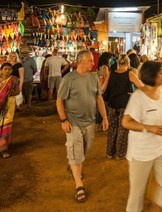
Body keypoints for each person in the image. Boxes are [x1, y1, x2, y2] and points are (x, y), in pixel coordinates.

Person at [122, 61, 162, 212]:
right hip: (141, 152)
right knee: (137, 194)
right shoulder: (138, 97)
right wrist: (148, 128)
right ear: (151, 76)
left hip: (160, 149)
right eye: (160, 73)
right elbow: (126, 122)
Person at [56, 50, 108, 203]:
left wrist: (104, 117)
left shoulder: (93, 78)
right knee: (76, 151)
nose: (93, 63)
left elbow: (99, 98)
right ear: (81, 62)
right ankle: (79, 184)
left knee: (84, 150)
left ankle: (73, 162)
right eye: (90, 60)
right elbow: (60, 101)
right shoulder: (69, 79)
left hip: (90, 122)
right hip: (73, 122)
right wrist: (63, 120)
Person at [104, 54, 144, 160]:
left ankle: (109, 152)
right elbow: (141, 86)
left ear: (118, 63)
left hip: (112, 104)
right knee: (123, 129)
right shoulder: (130, 74)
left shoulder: (111, 73)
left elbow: (103, 88)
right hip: (124, 105)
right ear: (128, 63)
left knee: (112, 128)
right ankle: (120, 154)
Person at [0, 63, 21, 158]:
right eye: (5, 69)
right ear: (1, 70)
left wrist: (7, 95)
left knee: (6, 127)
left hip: (9, 105)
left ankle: (4, 149)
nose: (7, 71)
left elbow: (18, 91)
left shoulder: (13, 80)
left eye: (9, 69)